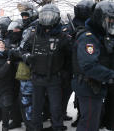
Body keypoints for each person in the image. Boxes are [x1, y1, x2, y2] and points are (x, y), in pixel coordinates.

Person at [21, 4, 70, 131]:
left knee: (55, 106)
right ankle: (36, 127)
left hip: (54, 77)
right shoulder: (35, 34)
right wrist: (27, 56)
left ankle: (57, 126)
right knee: (37, 105)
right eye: (45, 15)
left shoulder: (63, 36)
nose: (47, 18)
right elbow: (23, 49)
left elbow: (70, 58)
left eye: (50, 16)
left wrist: (65, 73)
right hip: (37, 76)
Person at [72, 1, 114, 131]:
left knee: (94, 120)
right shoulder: (88, 37)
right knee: (89, 124)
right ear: (99, 17)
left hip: (97, 84)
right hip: (88, 86)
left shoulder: (101, 35)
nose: (111, 22)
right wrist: (111, 75)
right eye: (109, 19)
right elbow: (89, 65)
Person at [65, 0, 95, 127]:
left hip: (88, 60)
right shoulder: (73, 23)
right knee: (78, 91)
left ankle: (83, 116)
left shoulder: (93, 23)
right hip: (74, 60)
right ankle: (79, 114)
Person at [17, 2, 38, 130]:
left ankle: (30, 124)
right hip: (37, 67)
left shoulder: (31, 28)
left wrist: (15, 52)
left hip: (29, 67)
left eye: (26, 15)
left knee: (27, 96)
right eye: (23, 16)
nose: (24, 18)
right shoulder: (33, 26)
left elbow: (22, 48)